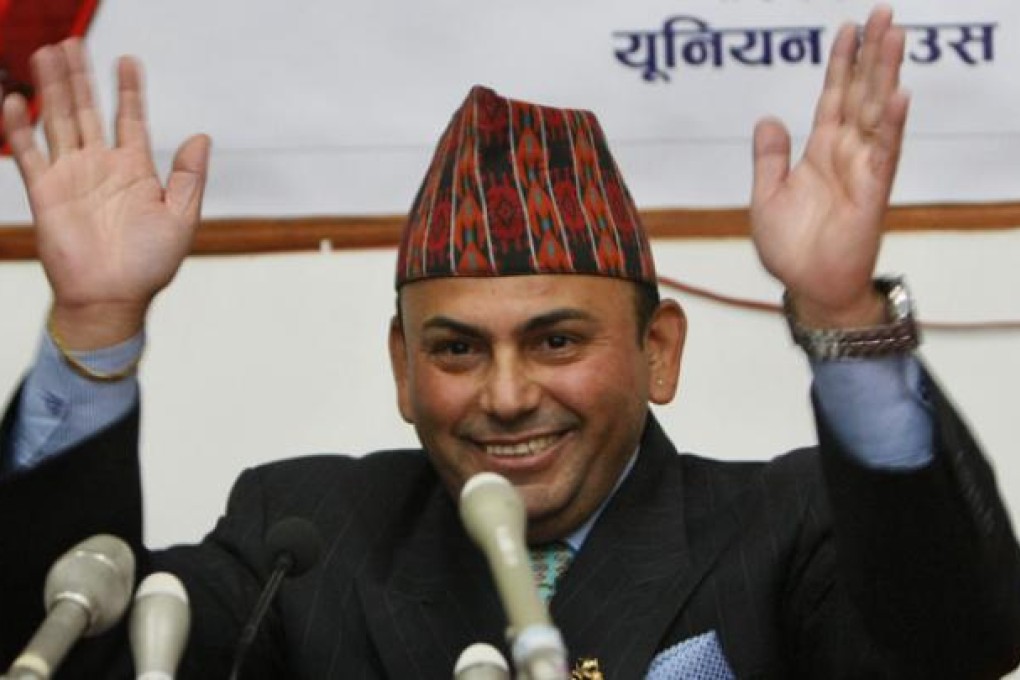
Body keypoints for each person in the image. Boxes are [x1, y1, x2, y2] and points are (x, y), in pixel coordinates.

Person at [2, 5, 1019, 678]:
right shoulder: (303, 533)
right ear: (402, 369)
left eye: (557, 338)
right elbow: (54, 640)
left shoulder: (786, 526)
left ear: (659, 348)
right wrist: (96, 324)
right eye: (454, 349)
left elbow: (959, 640)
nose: (505, 393)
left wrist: (843, 312)